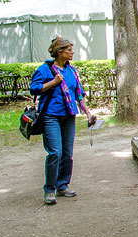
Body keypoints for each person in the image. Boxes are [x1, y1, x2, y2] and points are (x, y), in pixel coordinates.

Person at [30, 37, 96, 205]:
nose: (72, 52)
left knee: (67, 153)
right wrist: (53, 82)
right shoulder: (44, 70)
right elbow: (34, 89)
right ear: (59, 52)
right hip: (51, 116)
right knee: (55, 153)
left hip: (69, 115)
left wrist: (88, 114)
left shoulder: (71, 71)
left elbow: (79, 94)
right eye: (69, 50)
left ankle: (62, 185)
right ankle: (49, 189)